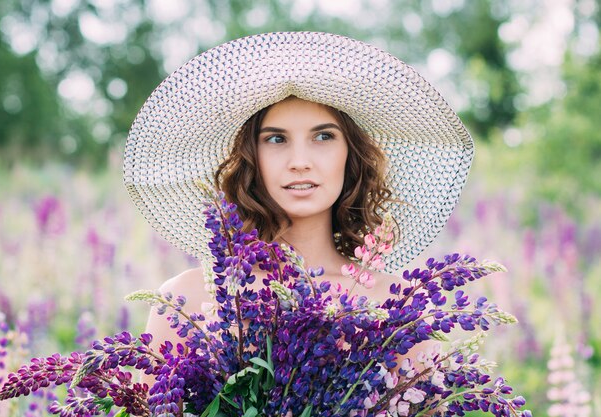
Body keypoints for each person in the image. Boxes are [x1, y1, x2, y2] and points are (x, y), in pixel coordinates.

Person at [123, 31, 474, 403]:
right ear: (250, 159)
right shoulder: (186, 300)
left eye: (323, 137)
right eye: (276, 139)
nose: (300, 161)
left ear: (350, 155)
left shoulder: (396, 307)